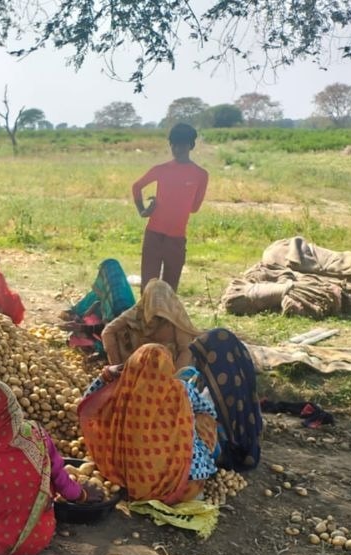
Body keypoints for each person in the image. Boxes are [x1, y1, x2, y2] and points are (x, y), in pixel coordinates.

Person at [0, 380, 103, 555]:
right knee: (43, 476)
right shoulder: (36, 435)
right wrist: (82, 495)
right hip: (32, 540)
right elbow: (61, 480)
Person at [77, 343, 198, 504]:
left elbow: (87, 404)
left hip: (123, 477)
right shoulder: (180, 390)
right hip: (168, 481)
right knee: (194, 431)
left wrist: (105, 375)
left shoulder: (122, 387)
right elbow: (197, 424)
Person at [131, 122, 209, 291]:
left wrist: (167, 202)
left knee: (168, 290)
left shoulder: (201, 175)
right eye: (174, 144)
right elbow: (136, 187)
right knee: (149, 289)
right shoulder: (162, 170)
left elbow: (194, 209)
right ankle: (147, 310)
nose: (177, 149)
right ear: (170, 145)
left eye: (182, 145)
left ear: (191, 146)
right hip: (154, 235)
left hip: (176, 239)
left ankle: (161, 311)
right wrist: (143, 211)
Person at [188, 328, 263, 472]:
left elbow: (201, 406)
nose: (197, 361)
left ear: (213, 357)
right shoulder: (226, 373)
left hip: (226, 443)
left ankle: (208, 460)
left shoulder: (222, 385)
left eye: (200, 357)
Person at [100, 278, 200, 368]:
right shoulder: (137, 312)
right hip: (138, 367)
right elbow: (108, 332)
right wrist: (116, 365)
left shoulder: (176, 317)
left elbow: (186, 350)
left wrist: (175, 376)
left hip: (167, 369)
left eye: (160, 315)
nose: (156, 318)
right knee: (121, 332)